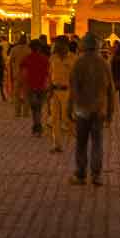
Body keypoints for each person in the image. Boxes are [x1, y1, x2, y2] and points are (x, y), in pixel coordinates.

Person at [68, 35, 111, 186]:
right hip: (99, 109)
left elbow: (73, 89)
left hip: (82, 109)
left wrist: (69, 107)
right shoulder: (104, 63)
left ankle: (81, 174)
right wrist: (110, 111)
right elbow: (110, 90)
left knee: (81, 143)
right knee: (97, 142)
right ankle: (96, 175)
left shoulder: (78, 63)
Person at [46, 36, 75, 153]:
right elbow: (49, 75)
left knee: (67, 119)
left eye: (59, 44)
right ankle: (57, 144)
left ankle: (77, 137)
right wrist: (49, 90)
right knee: (54, 120)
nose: (57, 46)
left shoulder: (73, 58)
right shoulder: (53, 58)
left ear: (65, 45)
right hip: (54, 91)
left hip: (68, 92)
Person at [21, 39, 51, 136]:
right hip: (42, 86)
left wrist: (24, 85)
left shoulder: (27, 58)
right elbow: (48, 73)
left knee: (34, 108)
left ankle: (36, 125)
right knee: (39, 107)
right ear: (39, 48)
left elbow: (24, 74)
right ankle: (37, 126)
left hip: (30, 86)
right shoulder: (45, 59)